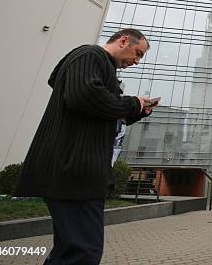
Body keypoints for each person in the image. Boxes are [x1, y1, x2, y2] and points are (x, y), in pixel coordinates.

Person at [14, 28, 158, 264]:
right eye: (138, 53)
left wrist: (137, 110)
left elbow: (96, 110)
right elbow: (84, 96)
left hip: (75, 171)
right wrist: (132, 103)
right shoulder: (90, 56)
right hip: (73, 171)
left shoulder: (98, 64)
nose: (137, 61)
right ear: (123, 40)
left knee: (71, 250)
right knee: (83, 251)